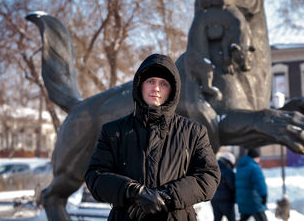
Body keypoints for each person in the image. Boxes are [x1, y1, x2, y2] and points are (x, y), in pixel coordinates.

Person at [84, 54, 220, 220]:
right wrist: (133, 191)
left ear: (173, 90)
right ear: (140, 85)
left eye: (163, 84)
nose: (156, 88)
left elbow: (209, 176)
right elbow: (95, 176)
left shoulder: (193, 132)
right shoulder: (113, 131)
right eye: (151, 81)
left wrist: (166, 198)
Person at [235, 148, 268, 221]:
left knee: (244, 218)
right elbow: (260, 182)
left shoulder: (240, 167)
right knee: (262, 219)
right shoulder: (254, 167)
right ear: (255, 158)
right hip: (253, 200)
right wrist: (264, 195)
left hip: (243, 200)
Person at [211, 151, 236, 221]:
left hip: (214, 199)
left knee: (217, 219)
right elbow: (232, 186)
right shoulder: (228, 171)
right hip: (226, 200)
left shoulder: (214, 168)